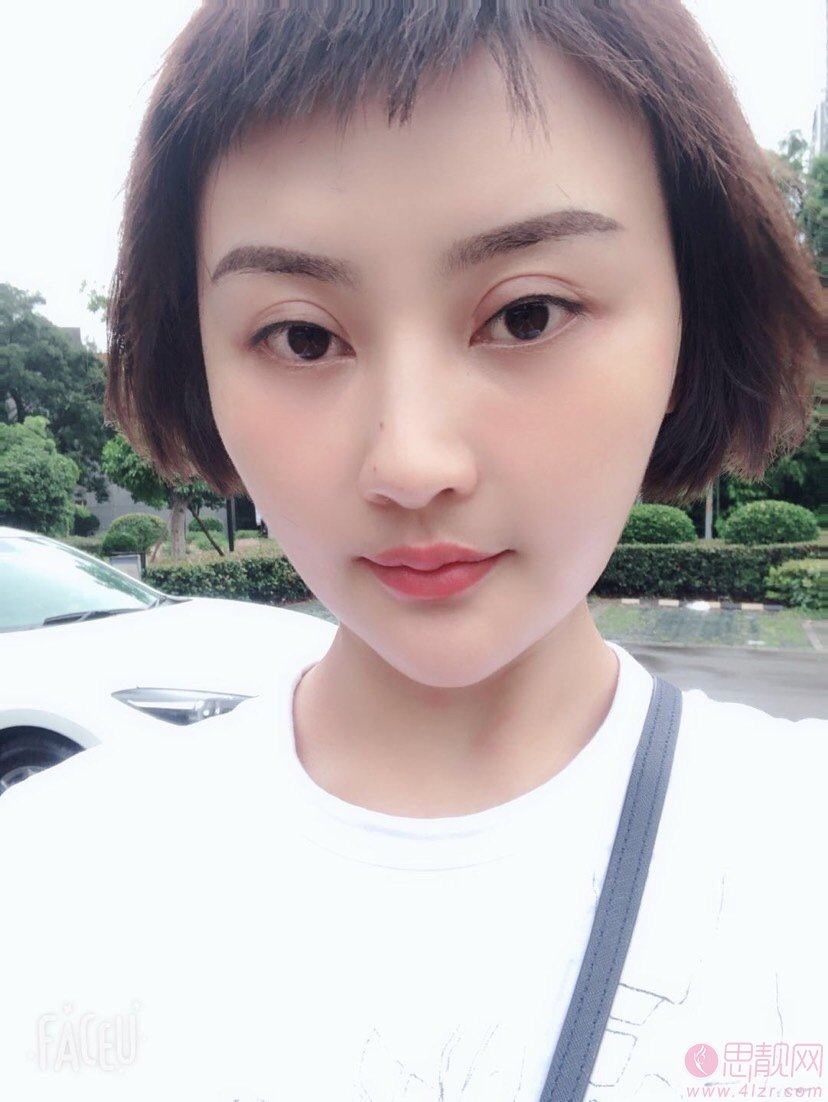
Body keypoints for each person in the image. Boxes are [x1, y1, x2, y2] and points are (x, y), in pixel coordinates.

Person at [1, 2, 825, 1100]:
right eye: (301, 336)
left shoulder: (800, 854)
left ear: (692, 313)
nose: (411, 462)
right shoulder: (45, 880)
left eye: (528, 315)